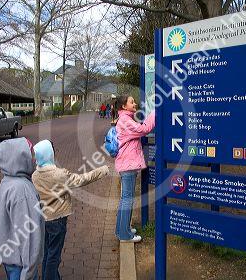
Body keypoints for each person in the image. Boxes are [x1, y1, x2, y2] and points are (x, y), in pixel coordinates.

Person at [32, 140, 110, 280]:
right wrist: (102, 170)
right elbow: (82, 179)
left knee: (48, 253)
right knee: (54, 256)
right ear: (50, 154)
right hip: (57, 219)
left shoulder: (35, 175)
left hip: (43, 219)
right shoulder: (59, 174)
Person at [0, 138, 44, 280]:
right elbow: (28, 235)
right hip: (22, 265)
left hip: (11, 259)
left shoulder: (6, 182)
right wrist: (28, 272)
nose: (34, 159)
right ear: (20, 158)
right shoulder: (22, 190)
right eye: (31, 155)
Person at [114, 95, 155, 242]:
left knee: (125, 199)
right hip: (128, 164)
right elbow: (145, 129)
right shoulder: (126, 121)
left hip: (126, 164)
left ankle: (121, 230)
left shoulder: (124, 119)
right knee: (127, 199)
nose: (135, 103)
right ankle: (125, 235)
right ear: (124, 106)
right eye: (132, 102)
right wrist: (155, 112)